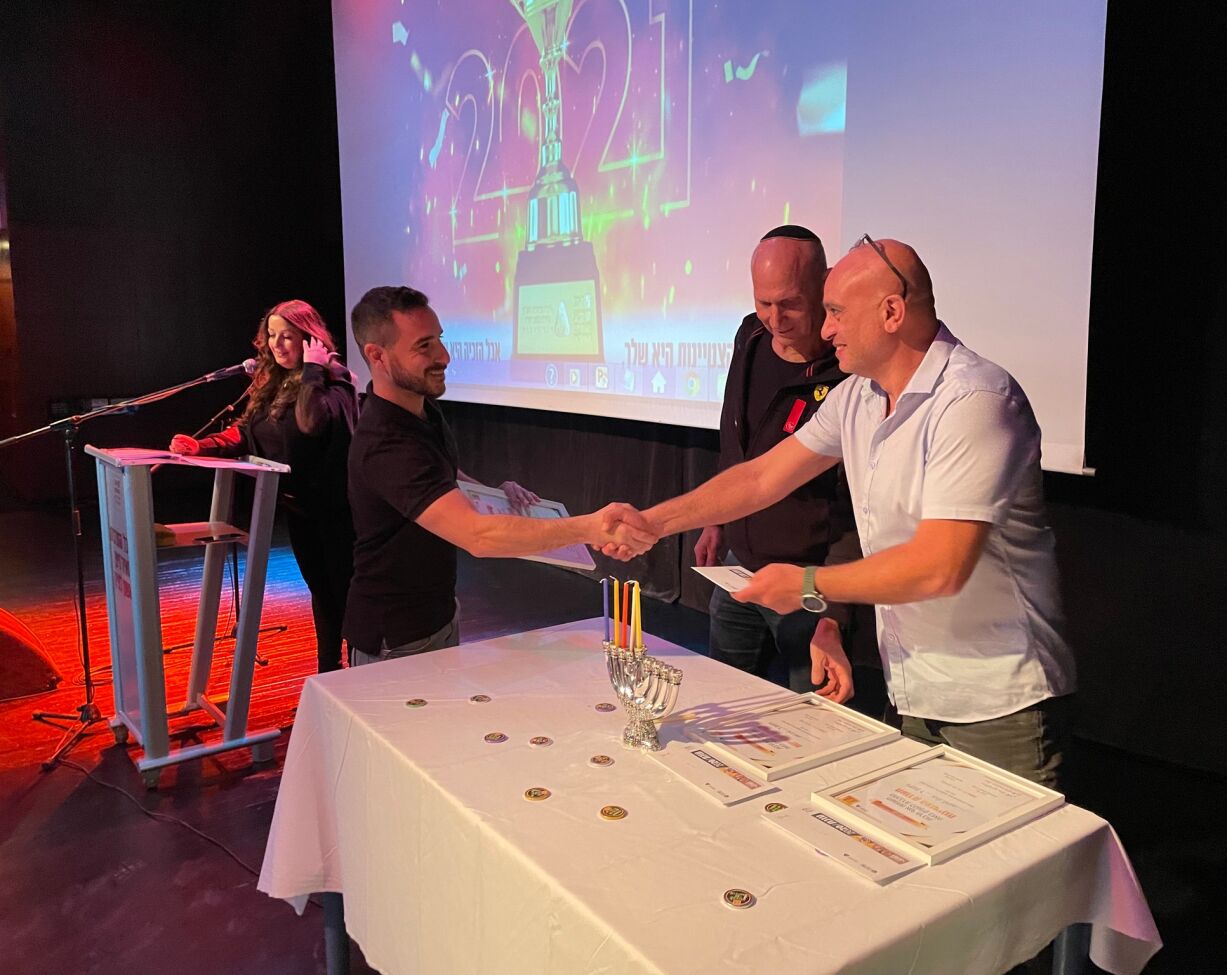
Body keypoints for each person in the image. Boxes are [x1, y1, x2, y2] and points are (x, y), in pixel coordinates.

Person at [614, 237, 1076, 787]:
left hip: (999, 703)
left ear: (891, 312)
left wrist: (809, 585)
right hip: (914, 689)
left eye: (835, 312)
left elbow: (941, 567)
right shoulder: (858, 396)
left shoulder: (974, 400)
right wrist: (654, 523)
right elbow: (761, 477)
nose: (826, 329)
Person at [343, 285, 651, 666]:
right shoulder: (386, 442)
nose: (444, 356)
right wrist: (589, 528)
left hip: (435, 616)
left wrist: (489, 493)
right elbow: (478, 536)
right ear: (377, 356)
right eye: (424, 346)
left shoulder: (421, 412)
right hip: (397, 638)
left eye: (440, 339)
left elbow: (435, 476)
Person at [694, 225, 863, 700]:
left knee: (813, 716)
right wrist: (716, 519)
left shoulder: (850, 371)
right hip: (739, 569)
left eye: (789, 304)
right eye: (764, 302)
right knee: (722, 705)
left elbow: (856, 505)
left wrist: (834, 612)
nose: (775, 318)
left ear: (823, 285)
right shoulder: (749, 336)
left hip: (810, 582)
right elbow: (736, 443)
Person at [170, 299, 359, 673]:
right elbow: (245, 431)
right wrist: (201, 445)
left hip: (337, 511)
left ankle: (359, 668)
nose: (277, 344)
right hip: (299, 507)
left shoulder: (334, 381)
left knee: (345, 592)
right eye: (272, 336)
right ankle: (328, 670)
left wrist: (313, 369)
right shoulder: (272, 382)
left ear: (309, 338)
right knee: (321, 591)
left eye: (287, 336)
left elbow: (310, 424)